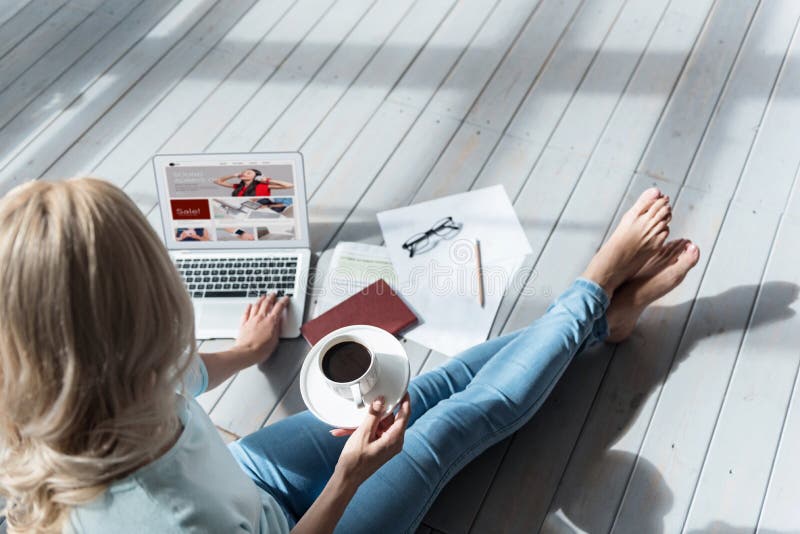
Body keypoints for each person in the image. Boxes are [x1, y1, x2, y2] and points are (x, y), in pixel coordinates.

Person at [0, 179, 699, 533]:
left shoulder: (98, 387)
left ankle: (601, 321)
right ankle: (595, 284)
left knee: (437, 384)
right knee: (462, 422)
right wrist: (349, 478)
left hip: (250, 485)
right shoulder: (170, 519)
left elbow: (183, 377)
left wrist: (244, 353)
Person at [213, 169, 293, 197]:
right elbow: (217, 181)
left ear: (256, 177)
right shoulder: (238, 186)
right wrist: (233, 175)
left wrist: (267, 180)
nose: (244, 173)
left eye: (248, 173)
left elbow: (290, 185)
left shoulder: (263, 186)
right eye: (244, 172)